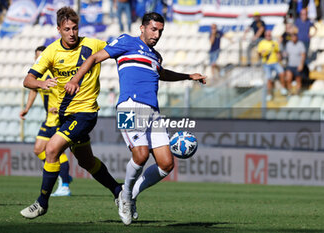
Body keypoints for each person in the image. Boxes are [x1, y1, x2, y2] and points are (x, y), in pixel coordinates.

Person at [64, 12, 206, 225]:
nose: (157, 34)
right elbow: (94, 57)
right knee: (140, 156)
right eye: (153, 29)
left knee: (166, 164)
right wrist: (76, 79)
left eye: (160, 31)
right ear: (142, 28)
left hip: (153, 112)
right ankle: (125, 193)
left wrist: (188, 76)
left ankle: (128, 196)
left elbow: (162, 73)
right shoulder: (126, 41)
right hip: (129, 106)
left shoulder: (156, 56)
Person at [20, 6, 122, 219]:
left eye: (75, 28)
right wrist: (42, 82)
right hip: (64, 116)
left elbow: (119, 49)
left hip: (85, 113)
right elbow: (27, 80)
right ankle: (118, 191)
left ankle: (41, 203)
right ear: (59, 29)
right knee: (86, 161)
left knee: (51, 149)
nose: (72, 33)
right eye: (67, 29)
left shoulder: (92, 44)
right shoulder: (50, 51)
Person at [20, 46, 72, 197]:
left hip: (58, 119)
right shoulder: (38, 75)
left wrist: (59, 107)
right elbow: (33, 90)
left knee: (56, 152)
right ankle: (63, 175)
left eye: (42, 56)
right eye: (37, 57)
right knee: (38, 150)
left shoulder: (55, 74)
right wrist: (27, 108)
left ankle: (65, 185)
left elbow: (67, 91)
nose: (40, 59)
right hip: (48, 120)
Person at [257, 30, 287, 101]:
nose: (268, 36)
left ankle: (283, 88)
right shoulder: (262, 43)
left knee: (282, 73)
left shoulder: (274, 43)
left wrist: (280, 61)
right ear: (265, 36)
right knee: (269, 78)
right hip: (267, 64)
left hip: (275, 62)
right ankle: (269, 94)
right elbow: (259, 53)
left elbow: (277, 52)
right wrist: (262, 53)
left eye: (269, 35)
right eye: (267, 35)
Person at [284, 28, 306, 95]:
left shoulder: (300, 44)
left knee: (298, 80)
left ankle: (298, 92)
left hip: (298, 65)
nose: (293, 37)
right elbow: (286, 53)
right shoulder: (288, 44)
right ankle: (290, 91)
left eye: (294, 36)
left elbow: (303, 55)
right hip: (290, 65)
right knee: (288, 79)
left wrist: (301, 64)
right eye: (292, 36)